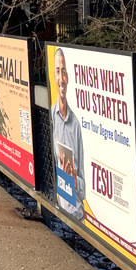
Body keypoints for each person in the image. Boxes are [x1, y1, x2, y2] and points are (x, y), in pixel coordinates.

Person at [51, 48, 85, 221]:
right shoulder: (50, 116)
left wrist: (75, 180)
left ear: (68, 77)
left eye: (64, 71)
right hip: (57, 207)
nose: (61, 78)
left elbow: (84, 185)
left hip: (77, 216)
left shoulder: (77, 125)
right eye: (58, 71)